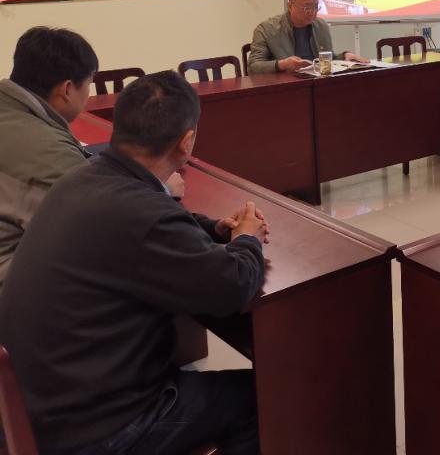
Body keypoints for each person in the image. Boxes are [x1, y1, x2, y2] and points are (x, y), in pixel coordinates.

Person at [0, 71, 268, 455]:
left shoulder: (82, 178)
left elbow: (149, 223)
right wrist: (247, 238)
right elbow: (232, 285)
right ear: (186, 142)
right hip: (96, 429)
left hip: (40, 410)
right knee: (262, 399)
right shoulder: (143, 213)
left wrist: (212, 229)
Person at [0, 27, 97, 287]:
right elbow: (95, 232)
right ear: (67, 89)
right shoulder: (52, 153)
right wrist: (159, 188)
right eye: (89, 84)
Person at [248, 0, 366, 73]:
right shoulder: (266, 29)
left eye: (316, 7)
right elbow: (253, 67)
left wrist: (345, 56)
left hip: (318, 82)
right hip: (285, 86)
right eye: (307, 8)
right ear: (290, 6)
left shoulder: (321, 25)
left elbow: (327, 58)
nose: (312, 12)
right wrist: (282, 64)